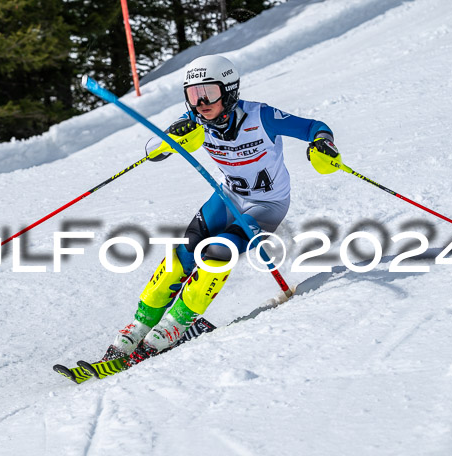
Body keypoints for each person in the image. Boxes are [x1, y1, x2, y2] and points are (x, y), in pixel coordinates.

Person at [106, 54, 339, 360]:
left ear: (229, 91)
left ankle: (177, 324)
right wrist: (172, 140)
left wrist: (323, 143)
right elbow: (153, 151)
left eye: (209, 93)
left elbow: (314, 127)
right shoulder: (194, 122)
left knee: (218, 251)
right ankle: (140, 325)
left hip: (267, 204)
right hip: (229, 196)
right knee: (187, 248)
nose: (201, 102)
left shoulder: (261, 117)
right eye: (193, 95)